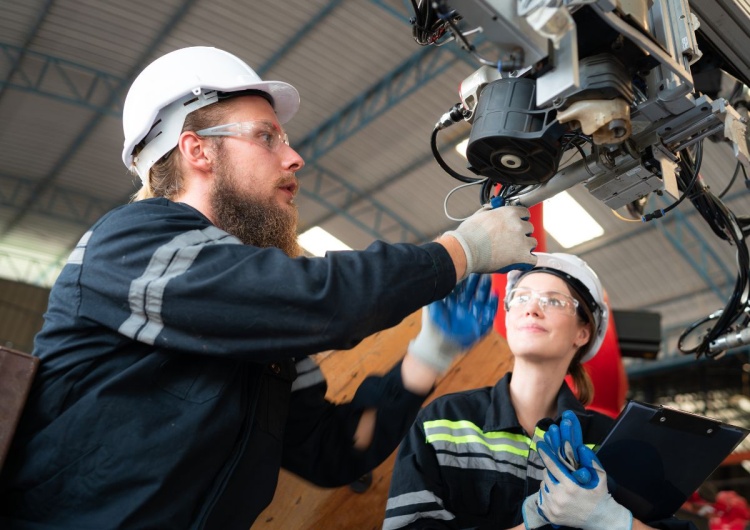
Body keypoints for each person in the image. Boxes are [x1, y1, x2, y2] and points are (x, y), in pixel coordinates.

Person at [0, 46, 537, 530]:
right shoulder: (129, 243)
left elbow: (332, 451)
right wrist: (461, 252)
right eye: (266, 136)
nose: (293, 156)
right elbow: (319, 300)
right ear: (197, 151)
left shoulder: (253, 320)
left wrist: (426, 357)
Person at [384, 252, 698, 530]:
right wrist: (536, 522)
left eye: (553, 301)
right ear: (507, 316)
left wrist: (613, 521)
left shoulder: (613, 444)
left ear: (582, 332)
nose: (532, 308)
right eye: (521, 297)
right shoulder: (444, 421)